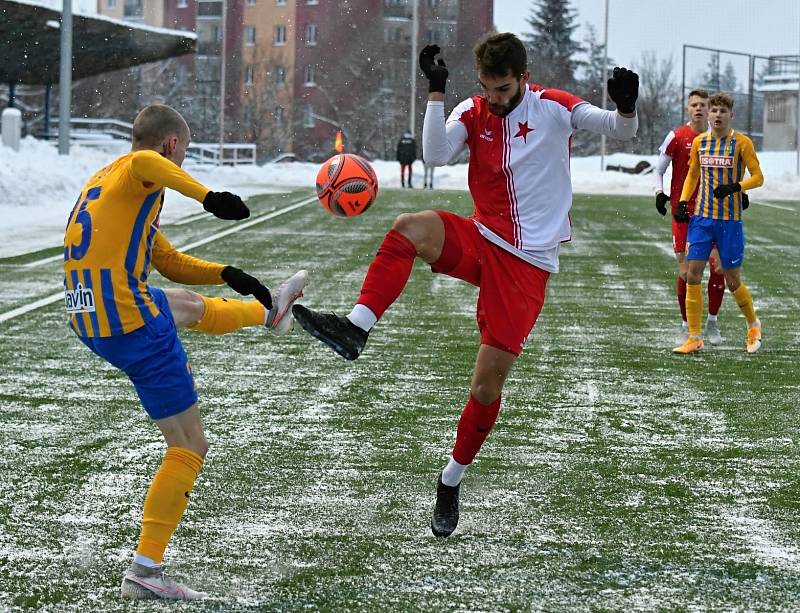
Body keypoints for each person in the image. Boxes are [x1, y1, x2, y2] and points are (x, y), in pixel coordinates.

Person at [291, 33, 638, 537]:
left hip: (527, 266)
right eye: (487, 88)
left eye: (502, 88)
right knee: (409, 227)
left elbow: (617, 131)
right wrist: (436, 90)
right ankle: (355, 328)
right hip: (481, 237)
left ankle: (451, 479)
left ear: (523, 76)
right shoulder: (473, 111)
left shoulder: (555, 107)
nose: (494, 98)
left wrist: (625, 108)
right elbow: (434, 155)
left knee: (484, 387)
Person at [62, 104, 308, 600]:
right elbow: (150, 165)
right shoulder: (142, 168)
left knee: (187, 304)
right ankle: (146, 569)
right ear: (172, 145)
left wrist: (229, 273)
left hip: (91, 314)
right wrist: (207, 195)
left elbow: (167, 261)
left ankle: (270, 313)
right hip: (127, 322)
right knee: (189, 446)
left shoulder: (110, 182)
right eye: (183, 152)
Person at [672, 92, 763, 354]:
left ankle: (753, 325)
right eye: (714, 111)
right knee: (692, 274)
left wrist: (736, 186)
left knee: (732, 280)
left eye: (723, 111)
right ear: (709, 114)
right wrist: (683, 201)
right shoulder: (700, 142)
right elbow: (692, 175)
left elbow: (758, 177)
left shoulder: (741, 143)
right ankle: (694, 336)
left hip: (729, 222)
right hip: (701, 219)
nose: (717, 115)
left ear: (730, 115)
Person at [653, 89, 727, 345]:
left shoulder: (718, 137)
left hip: (714, 212)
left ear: (710, 109)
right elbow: (659, 168)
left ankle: (712, 323)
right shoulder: (677, 136)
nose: (698, 108)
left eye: (703, 105)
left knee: (718, 269)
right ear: (687, 109)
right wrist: (659, 193)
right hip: (683, 213)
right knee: (686, 272)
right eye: (694, 104)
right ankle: (686, 325)